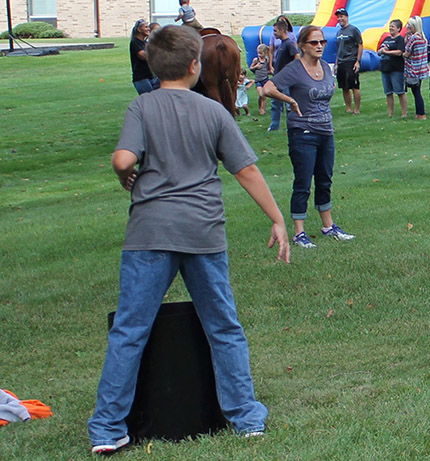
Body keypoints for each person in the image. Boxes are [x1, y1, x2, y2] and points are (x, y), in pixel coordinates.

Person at [89, 25, 290, 455]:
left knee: (129, 331)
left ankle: (107, 429)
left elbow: (124, 157)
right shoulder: (214, 112)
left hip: (149, 234)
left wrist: (124, 172)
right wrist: (276, 218)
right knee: (224, 327)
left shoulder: (140, 107)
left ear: (152, 65)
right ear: (196, 66)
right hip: (203, 232)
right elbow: (246, 170)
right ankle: (246, 418)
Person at [263, 26, 355, 247]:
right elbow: (267, 88)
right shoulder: (294, 69)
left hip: (326, 131)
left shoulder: (325, 66)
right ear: (302, 46)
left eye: (322, 42)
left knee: (325, 180)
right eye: (314, 43)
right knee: (303, 182)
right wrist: (291, 101)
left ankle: (328, 226)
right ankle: (299, 233)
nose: (319, 46)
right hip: (302, 133)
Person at [267, 17, 300, 132]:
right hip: (277, 78)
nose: (274, 33)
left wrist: (291, 71)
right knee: (275, 103)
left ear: (282, 31)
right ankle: (274, 126)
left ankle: (292, 125)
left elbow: (296, 57)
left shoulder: (289, 44)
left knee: (288, 103)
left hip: (286, 79)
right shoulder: (281, 44)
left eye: (275, 31)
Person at [333, 8, 363, 115]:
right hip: (341, 62)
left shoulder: (353, 30)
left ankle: (357, 108)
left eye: (341, 16)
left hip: (351, 61)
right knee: (344, 87)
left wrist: (358, 61)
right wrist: (336, 64)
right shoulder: (339, 32)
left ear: (346, 17)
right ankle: (348, 107)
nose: (340, 18)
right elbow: (339, 49)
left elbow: (360, 45)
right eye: (338, 17)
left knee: (354, 86)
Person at [378, 19, 408, 118]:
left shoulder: (400, 39)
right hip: (385, 68)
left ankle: (404, 113)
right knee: (388, 92)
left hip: (396, 69)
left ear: (398, 29)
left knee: (399, 91)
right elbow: (379, 51)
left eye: (393, 26)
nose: (391, 28)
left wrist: (386, 52)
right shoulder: (386, 39)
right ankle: (390, 113)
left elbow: (399, 52)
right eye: (390, 26)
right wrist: (381, 50)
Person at [403, 16, 430, 120]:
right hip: (421, 69)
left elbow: (407, 52)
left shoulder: (414, 38)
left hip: (413, 69)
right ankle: (419, 113)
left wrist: (403, 55)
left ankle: (421, 113)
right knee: (417, 91)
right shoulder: (423, 38)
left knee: (416, 92)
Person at [129, 19, 159, 95]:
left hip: (152, 77)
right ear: (139, 29)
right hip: (141, 78)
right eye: (146, 27)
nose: (148, 29)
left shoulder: (146, 43)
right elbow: (143, 56)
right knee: (149, 101)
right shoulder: (135, 42)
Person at [250, 44, 270, 115]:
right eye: (258, 53)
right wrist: (256, 67)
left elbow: (268, 68)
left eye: (261, 53)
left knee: (264, 95)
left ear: (265, 53)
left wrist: (269, 72)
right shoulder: (256, 60)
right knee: (261, 95)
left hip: (265, 80)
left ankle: (263, 109)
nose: (259, 55)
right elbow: (251, 68)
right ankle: (260, 107)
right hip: (258, 80)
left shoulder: (267, 60)